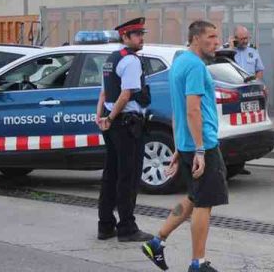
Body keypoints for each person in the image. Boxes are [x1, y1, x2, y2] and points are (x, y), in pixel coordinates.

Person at [142, 20, 228, 272]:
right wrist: (200, 150)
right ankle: (197, 263)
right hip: (203, 145)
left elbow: (177, 109)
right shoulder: (194, 66)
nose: (216, 41)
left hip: (188, 143)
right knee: (204, 203)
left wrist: (181, 146)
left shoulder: (179, 61)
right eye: (211, 36)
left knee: (193, 196)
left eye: (217, 36)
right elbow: (191, 110)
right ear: (195, 39)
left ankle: (156, 242)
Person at [96, 17, 153, 242]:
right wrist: (108, 117)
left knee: (111, 174)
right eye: (137, 34)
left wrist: (100, 117)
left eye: (141, 33)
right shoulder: (131, 61)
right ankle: (127, 227)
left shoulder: (110, 59)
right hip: (126, 124)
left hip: (112, 124)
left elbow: (103, 93)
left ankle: (105, 225)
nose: (141, 38)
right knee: (127, 177)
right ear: (125, 37)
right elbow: (126, 94)